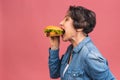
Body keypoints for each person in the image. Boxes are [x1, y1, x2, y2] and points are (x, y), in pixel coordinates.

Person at [47, 5, 116, 80]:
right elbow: (54, 73)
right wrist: (54, 47)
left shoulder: (90, 56)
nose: (60, 23)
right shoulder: (70, 49)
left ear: (79, 27)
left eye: (66, 19)